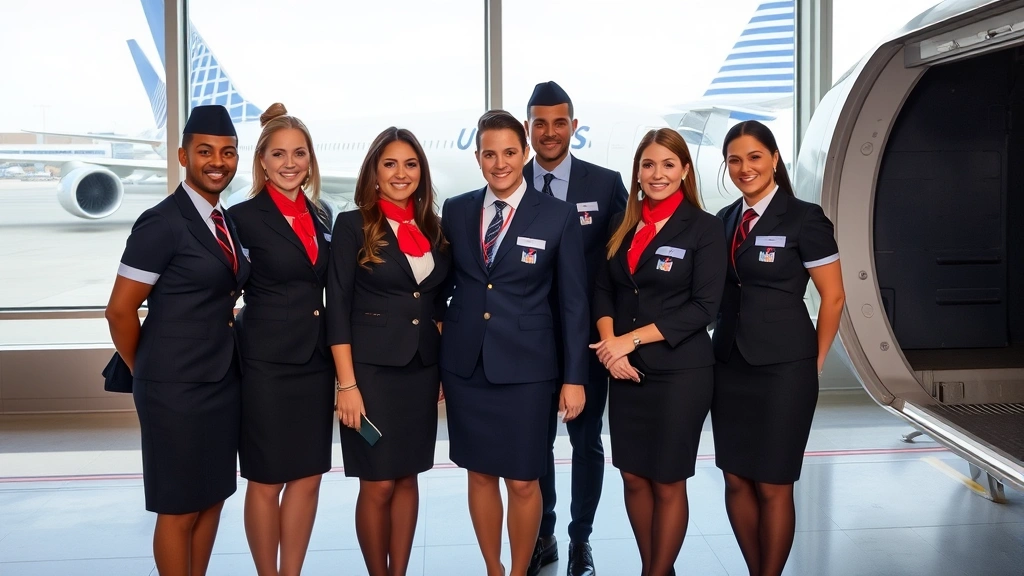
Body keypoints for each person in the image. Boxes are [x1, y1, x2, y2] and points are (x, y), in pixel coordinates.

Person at [439, 110, 588, 576]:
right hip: (468, 367)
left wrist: (574, 379)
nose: (500, 163)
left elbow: (574, 305)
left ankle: (521, 569)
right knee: (479, 474)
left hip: (527, 370)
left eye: (509, 152)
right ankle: (493, 568)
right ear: (478, 156)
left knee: (524, 480)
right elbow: (444, 284)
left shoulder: (558, 216)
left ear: (524, 152)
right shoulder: (458, 210)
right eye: (489, 153)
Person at [104, 104, 249, 576]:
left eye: (228, 153)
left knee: (212, 499)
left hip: (220, 380)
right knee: (179, 507)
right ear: (184, 155)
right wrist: (149, 369)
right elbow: (120, 310)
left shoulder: (221, 220)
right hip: (174, 387)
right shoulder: (162, 222)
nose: (218, 161)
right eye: (205, 151)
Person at [711, 120, 845, 576]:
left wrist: (817, 358)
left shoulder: (804, 217)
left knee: (772, 484)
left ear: (773, 159)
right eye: (734, 160)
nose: (744, 168)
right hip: (729, 366)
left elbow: (835, 296)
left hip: (786, 368)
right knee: (734, 479)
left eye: (753, 157)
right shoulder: (724, 220)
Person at [590, 128, 726, 576]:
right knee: (633, 476)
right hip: (624, 370)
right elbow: (603, 289)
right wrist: (612, 348)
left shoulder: (704, 228)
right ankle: (656, 568)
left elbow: (704, 308)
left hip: (679, 373)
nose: (657, 173)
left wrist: (628, 342)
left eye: (668, 164)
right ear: (637, 173)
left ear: (685, 171)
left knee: (667, 481)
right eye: (648, 164)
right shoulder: (621, 224)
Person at [328, 127, 451, 576]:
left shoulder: (434, 229)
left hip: (419, 371)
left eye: (411, 164)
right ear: (374, 173)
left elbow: (436, 302)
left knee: (407, 478)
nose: (402, 174)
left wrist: (438, 365)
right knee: (377, 483)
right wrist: (347, 384)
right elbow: (337, 307)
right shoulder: (353, 225)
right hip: (370, 375)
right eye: (391, 164)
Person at [523, 81, 627, 576]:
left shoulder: (605, 187)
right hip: (528, 344)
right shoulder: (510, 182)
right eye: (540, 123)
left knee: (586, 445)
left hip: (587, 345)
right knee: (534, 443)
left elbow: (623, 266)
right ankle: (542, 533)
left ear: (573, 127)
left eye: (559, 122)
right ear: (528, 128)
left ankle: (579, 539)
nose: (549, 132)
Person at [227, 103, 335, 576]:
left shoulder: (323, 212)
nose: (289, 163)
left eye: (299, 153)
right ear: (263, 161)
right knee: (267, 479)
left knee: (309, 475)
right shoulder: (242, 217)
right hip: (267, 363)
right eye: (278, 154)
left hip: (315, 361)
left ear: (310, 159)